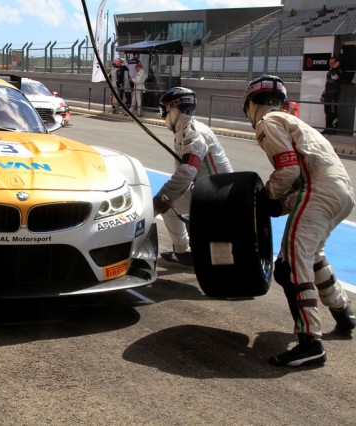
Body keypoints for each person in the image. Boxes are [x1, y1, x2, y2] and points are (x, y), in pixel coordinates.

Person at [242, 75, 356, 367]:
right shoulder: (295, 122)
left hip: (318, 191)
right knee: (312, 255)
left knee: (290, 265)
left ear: (252, 104)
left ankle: (310, 342)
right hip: (341, 192)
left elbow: (289, 170)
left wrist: (266, 197)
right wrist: (282, 202)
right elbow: (301, 170)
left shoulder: (269, 122)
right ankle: (343, 312)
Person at [153, 87, 233, 266]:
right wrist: (167, 197)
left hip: (219, 195)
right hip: (208, 190)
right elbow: (183, 172)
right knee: (170, 206)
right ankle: (182, 252)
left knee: (220, 257)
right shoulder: (185, 130)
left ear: (174, 109)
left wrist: (161, 197)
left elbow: (188, 170)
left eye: (163, 110)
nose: (162, 116)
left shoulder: (194, 133)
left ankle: (223, 271)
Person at [320, 56, 342, 135]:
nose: (331, 65)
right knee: (327, 111)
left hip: (334, 94)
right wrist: (323, 94)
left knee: (333, 111)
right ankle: (327, 128)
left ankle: (334, 129)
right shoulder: (329, 72)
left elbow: (334, 77)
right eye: (330, 63)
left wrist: (335, 68)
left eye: (332, 63)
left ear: (336, 63)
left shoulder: (338, 71)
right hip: (328, 94)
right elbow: (327, 84)